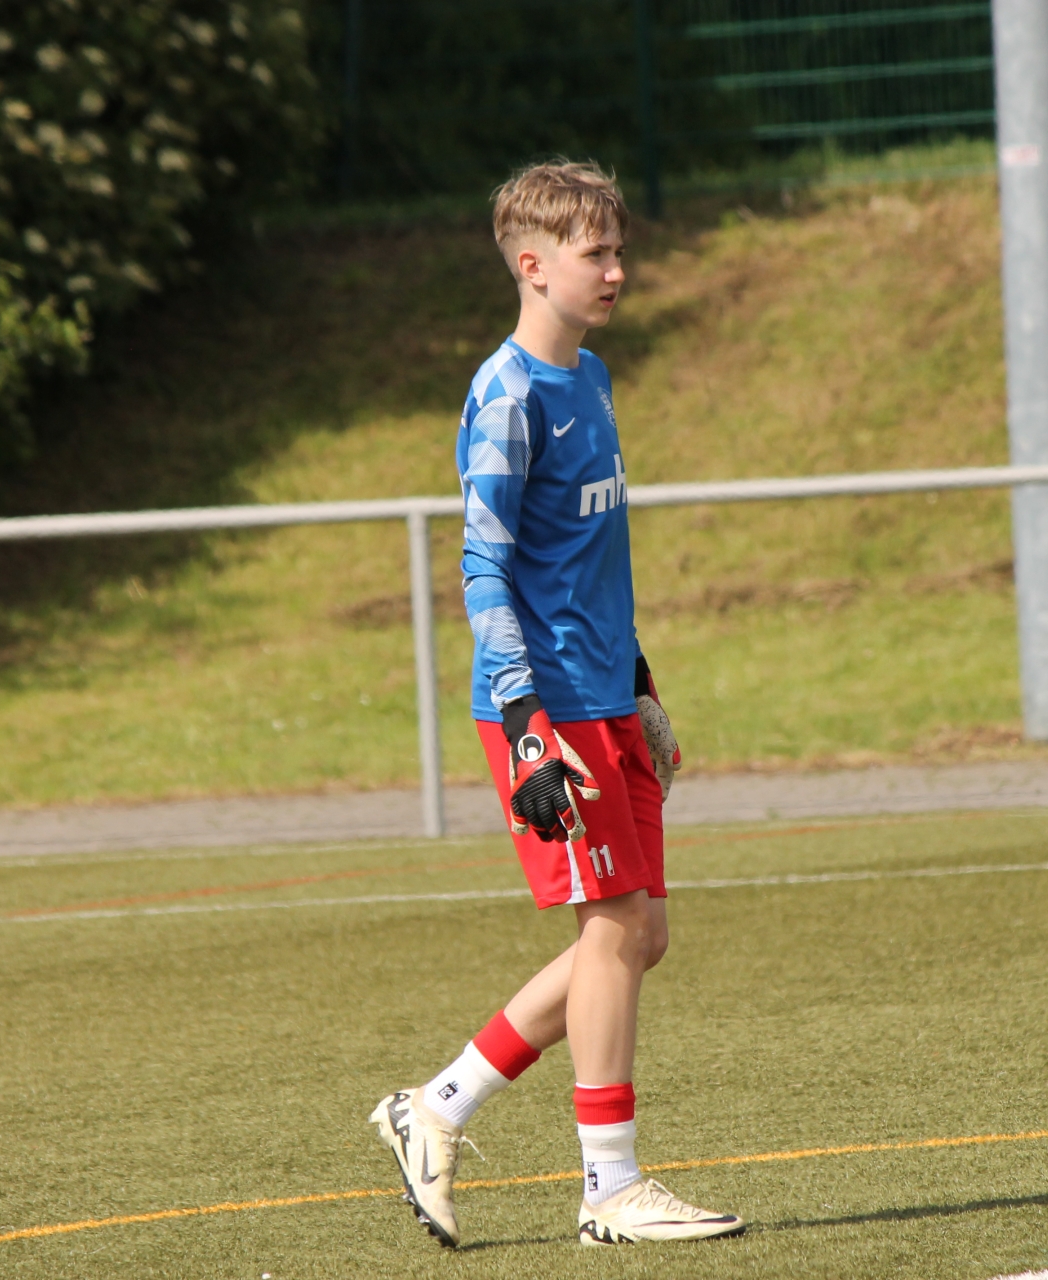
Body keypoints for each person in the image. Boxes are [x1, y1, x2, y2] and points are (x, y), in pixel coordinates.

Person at [369, 161, 744, 1250]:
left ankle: (436, 1106)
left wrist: (641, 685)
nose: (617, 270)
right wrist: (527, 723)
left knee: (638, 936)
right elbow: (484, 570)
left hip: (604, 696)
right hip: (546, 713)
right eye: (596, 253)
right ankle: (609, 1188)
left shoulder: (593, 378)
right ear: (533, 265)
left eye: (620, 250)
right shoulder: (507, 397)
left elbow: (586, 565)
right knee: (614, 927)